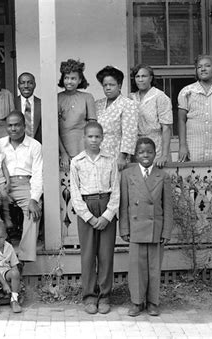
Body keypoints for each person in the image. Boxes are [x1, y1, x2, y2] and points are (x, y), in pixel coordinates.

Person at [0, 111, 43, 263]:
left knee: (33, 210)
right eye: (10, 125)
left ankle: (25, 257)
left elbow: (38, 174)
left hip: (24, 183)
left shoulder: (34, 145)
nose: (13, 129)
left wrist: (34, 198)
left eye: (17, 125)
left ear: (24, 126)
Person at [69, 121, 120, 315]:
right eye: (90, 136)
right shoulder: (77, 162)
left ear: (102, 138)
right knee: (88, 254)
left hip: (106, 205)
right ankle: (89, 296)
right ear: (84, 138)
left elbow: (116, 190)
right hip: (86, 207)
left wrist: (107, 215)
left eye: (97, 136)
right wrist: (89, 217)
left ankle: (105, 295)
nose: (93, 140)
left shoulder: (110, 160)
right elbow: (75, 194)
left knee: (106, 254)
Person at [119, 138, 173, 317]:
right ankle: (137, 302)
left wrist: (166, 231)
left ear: (155, 153)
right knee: (136, 268)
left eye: (149, 152)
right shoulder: (127, 175)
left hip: (155, 229)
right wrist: (124, 229)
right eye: (141, 152)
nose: (145, 155)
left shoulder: (162, 176)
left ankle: (153, 302)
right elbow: (124, 205)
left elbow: (168, 207)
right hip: (135, 228)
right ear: (135, 154)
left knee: (154, 268)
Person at [95, 66, 138, 170]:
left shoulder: (128, 104)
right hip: (98, 154)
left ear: (119, 85)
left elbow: (130, 133)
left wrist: (122, 157)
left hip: (116, 155)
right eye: (105, 85)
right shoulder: (98, 104)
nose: (108, 88)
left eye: (111, 85)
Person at [130, 64, 172, 167]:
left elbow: (166, 128)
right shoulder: (132, 98)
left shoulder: (160, 97)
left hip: (156, 145)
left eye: (144, 76)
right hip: (137, 145)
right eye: (137, 76)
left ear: (151, 78)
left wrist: (164, 155)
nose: (140, 79)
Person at [58, 59, 97, 171]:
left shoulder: (87, 97)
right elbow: (54, 130)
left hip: (84, 150)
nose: (69, 81)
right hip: (63, 153)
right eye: (66, 78)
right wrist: (63, 154)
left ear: (80, 80)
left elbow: (92, 128)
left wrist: (89, 152)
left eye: (73, 78)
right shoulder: (57, 98)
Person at [14, 72, 42, 142]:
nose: (26, 86)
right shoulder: (12, 103)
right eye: (22, 83)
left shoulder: (42, 104)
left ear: (35, 85)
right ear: (18, 86)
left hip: (37, 147)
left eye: (30, 83)